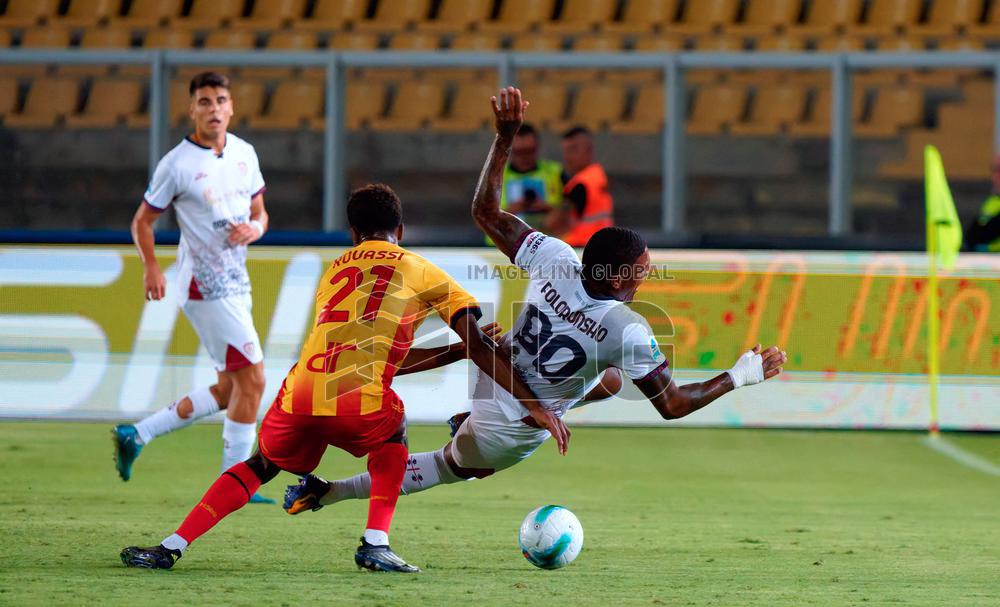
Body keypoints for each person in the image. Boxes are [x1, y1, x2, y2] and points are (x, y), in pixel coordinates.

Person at [282, 87, 787, 516]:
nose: (648, 272)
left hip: (496, 368)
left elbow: (485, 211)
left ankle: (483, 417)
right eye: (643, 268)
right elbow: (673, 405)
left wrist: (504, 138)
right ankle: (329, 491)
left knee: (611, 379)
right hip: (514, 422)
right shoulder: (627, 328)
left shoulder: (556, 257)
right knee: (451, 465)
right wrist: (739, 376)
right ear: (618, 278)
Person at [120, 183, 569, 573]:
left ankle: (170, 546)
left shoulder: (334, 271)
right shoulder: (421, 270)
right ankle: (376, 542)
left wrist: (454, 351)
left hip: (300, 392)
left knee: (260, 465)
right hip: (357, 400)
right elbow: (479, 346)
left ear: (353, 233)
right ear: (401, 230)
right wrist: (529, 401)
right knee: (394, 429)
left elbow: (375, 358)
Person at [112, 71, 272, 503]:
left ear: (231, 107)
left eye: (220, 100)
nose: (213, 108)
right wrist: (151, 268)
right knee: (254, 380)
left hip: (237, 282)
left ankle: (137, 434)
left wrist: (255, 229)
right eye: (204, 102)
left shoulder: (244, 153)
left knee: (230, 389)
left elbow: (260, 212)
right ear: (192, 110)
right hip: (204, 285)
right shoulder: (177, 164)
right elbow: (142, 222)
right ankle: (236, 481)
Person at [546, 125, 614, 248]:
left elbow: (553, 224)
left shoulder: (580, 184)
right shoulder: (598, 175)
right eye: (566, 151)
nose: (568, 157)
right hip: (601, 245)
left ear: (589, 150)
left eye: (573, 150)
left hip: (580, 247)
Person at [499, 123, 563, 231]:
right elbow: (481, 219)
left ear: (537, 147)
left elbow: (572, 213)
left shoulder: (556, 172)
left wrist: (548, 209)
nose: (524, 156)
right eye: (519, 152)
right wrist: (510, 211)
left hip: (547, 238)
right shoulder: (496, 176)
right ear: (510, 150)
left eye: (529, 151)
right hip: (503, 240)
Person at [965, 154, 1000, 252]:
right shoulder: (992, 201)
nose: (995, 176)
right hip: (986, 257)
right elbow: (972, 236)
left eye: (999, 170)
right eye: (994, 170)